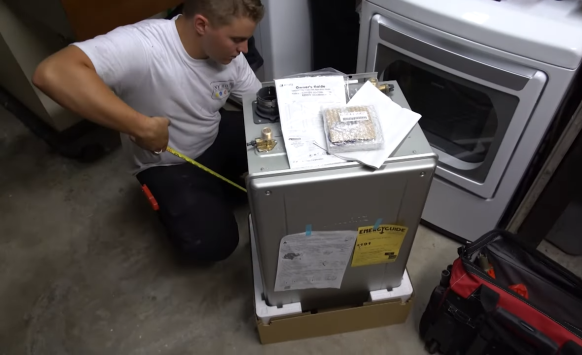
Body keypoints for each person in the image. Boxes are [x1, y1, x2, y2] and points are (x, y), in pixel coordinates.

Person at [33, 0, 265, 262]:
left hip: (212, 131)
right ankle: (174, 201)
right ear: (202, 25)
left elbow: (258, 101)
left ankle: (215, 193)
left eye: (247, 39)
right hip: (167, 161)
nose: (244, 49)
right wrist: (139, 125)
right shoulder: (143, 45)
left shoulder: (230, 56)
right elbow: (52, 73)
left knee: (275, 148)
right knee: (214, 244)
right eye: (237, 39)